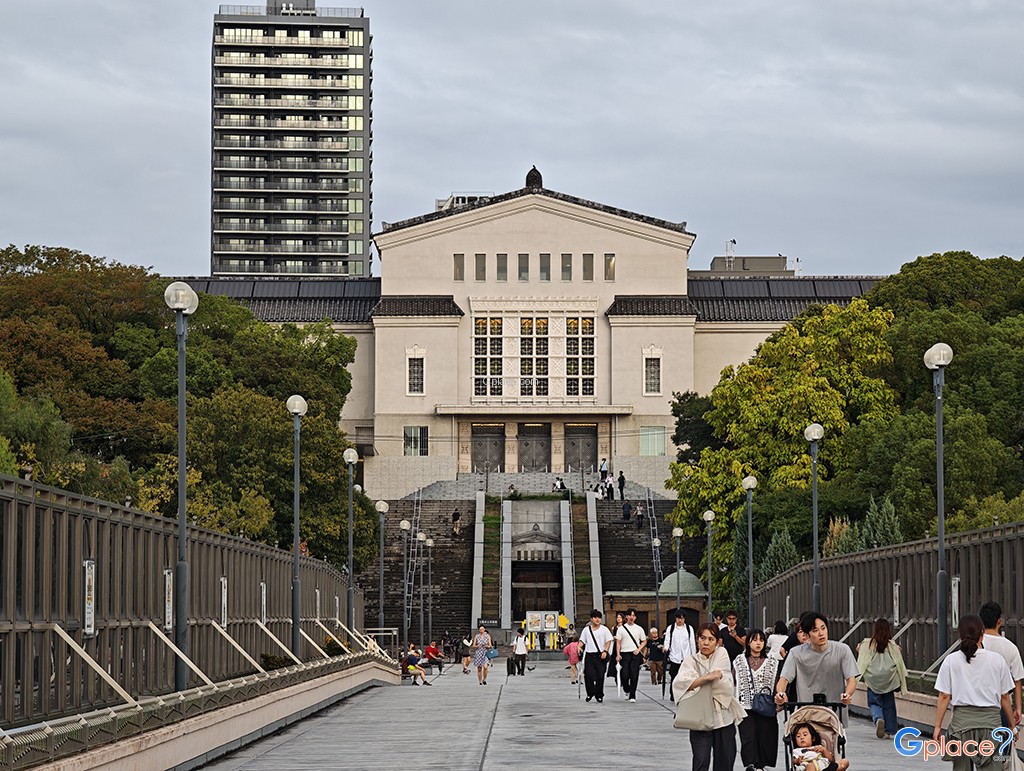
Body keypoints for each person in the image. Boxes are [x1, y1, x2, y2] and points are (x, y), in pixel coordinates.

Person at [933, 614, 1015, 770]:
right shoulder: (997, 660)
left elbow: (944, 696)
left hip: (961, 726)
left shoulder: (951, 661)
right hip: (991, 725)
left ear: (959, 635)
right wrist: (1011, 726)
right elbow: (1005, 697)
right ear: (982, 633)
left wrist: (937, 726)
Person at [673, 622, 746, 771]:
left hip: (723, 718)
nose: (706, 642)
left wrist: (696, 681)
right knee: (700, 762)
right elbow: (680, 684)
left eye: (711, 639)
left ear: (717, 641)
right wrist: (707, 678)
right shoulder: (690, 660)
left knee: (725, 763)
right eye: (702, 638)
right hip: (699, 718)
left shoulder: (722, 654)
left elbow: (723, 682)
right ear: (697, 639)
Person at [775, 612, 859, 708]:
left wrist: (847, 694)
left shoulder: (843, 650)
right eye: (815, 630)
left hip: (835, 711)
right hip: (806, 712)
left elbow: (851, 680)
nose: (821, 633)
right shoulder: (795, 653)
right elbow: (784, 679)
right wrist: (781, 694)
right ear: (806, 635)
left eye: (823, 628)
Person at [733, 628, 780, 771]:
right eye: (754, 640)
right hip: (745, 706)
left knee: (765, 736)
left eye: (761, 640)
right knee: (748, 737)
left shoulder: (772, 662)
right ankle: (750, 764)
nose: (758, 643)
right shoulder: (739, 661)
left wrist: (779, 699)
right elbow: (733, 681)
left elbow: (778, 682)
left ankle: (761, 764)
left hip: (765, 706)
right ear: (748, 643)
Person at [856, 617, 908, 739]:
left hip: (873, 679)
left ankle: (878, 718)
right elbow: (898, 657)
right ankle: (889, 730)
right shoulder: (892, 646)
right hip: (888, 680)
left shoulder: (868, 644)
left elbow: (860, 651)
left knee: (874, 702)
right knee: (889, 704)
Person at [980, 601, 1024, 728]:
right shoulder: (1010, 647)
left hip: (976, 706)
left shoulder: (973, 645)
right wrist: (1018, 708)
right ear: (999, 621)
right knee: (1002, 744)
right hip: (1002, 707)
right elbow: (1017, 681)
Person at [580, 609, 614, 703]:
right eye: (595, 617)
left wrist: (605, 651)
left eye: (599, 617)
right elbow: (582, 641)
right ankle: (590, 693)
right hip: (590, 655)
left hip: (600, 655)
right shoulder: (586, 630)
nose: (597, 619)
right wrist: (579, 647)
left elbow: (608, 641)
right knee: (589, 675)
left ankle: (599, 695)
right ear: (591, 619)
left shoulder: (604, 629)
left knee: (600, 676)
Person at [615, 608, 648, 702]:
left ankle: (632, 695)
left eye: (633, 615)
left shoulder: (639, 628)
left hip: (635, 654)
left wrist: (639, 649)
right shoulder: (621, 629)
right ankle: (627, 689)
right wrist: (618, 654)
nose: (631, 617)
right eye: (630, 615)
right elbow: (618, 642)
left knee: (634, 675)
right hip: (624, 654)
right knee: (624, 675)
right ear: (626, 617)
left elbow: (644, 641)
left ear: (635, 617)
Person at [664, 609, 697, 685]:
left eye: (682, 618)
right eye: (678, 618)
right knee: (674, 678)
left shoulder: (689, 629)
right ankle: (673, 696)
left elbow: (692, 642)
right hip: (674, 657)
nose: (680, 620)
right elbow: (667, 640)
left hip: (686, 657)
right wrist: (666, 648)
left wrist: (694, 655)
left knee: (686, 678)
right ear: (675, 618)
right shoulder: (671, 628)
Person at [608, 612, 625, 679]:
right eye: (617, 617)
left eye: (620, 617)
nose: (618, 619)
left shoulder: (625, 627)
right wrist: (614, 637)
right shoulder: (614, 627)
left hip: (623, 644)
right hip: (616, 644)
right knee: (615, 660)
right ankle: (616, 676)